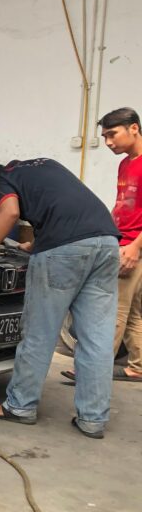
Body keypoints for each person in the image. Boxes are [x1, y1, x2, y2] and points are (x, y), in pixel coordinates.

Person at [0, 159, 120, 439]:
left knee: (39, 333)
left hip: (65, 251)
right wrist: (37, 243)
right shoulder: (46, 166)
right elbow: (62, 209)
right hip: (107, 244)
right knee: (97, 339)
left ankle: (20, 406)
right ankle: (93, 419)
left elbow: (9, 213)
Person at [101, 108, 142, 381]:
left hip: (133, 244)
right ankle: (138, 367)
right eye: (104, 136)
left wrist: (135, 246)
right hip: (123, 240)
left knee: (112, 310)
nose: (108, 142)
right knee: (134, 312)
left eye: (112, 134)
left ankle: (93, 368)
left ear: (134, 128)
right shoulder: (126, 163)